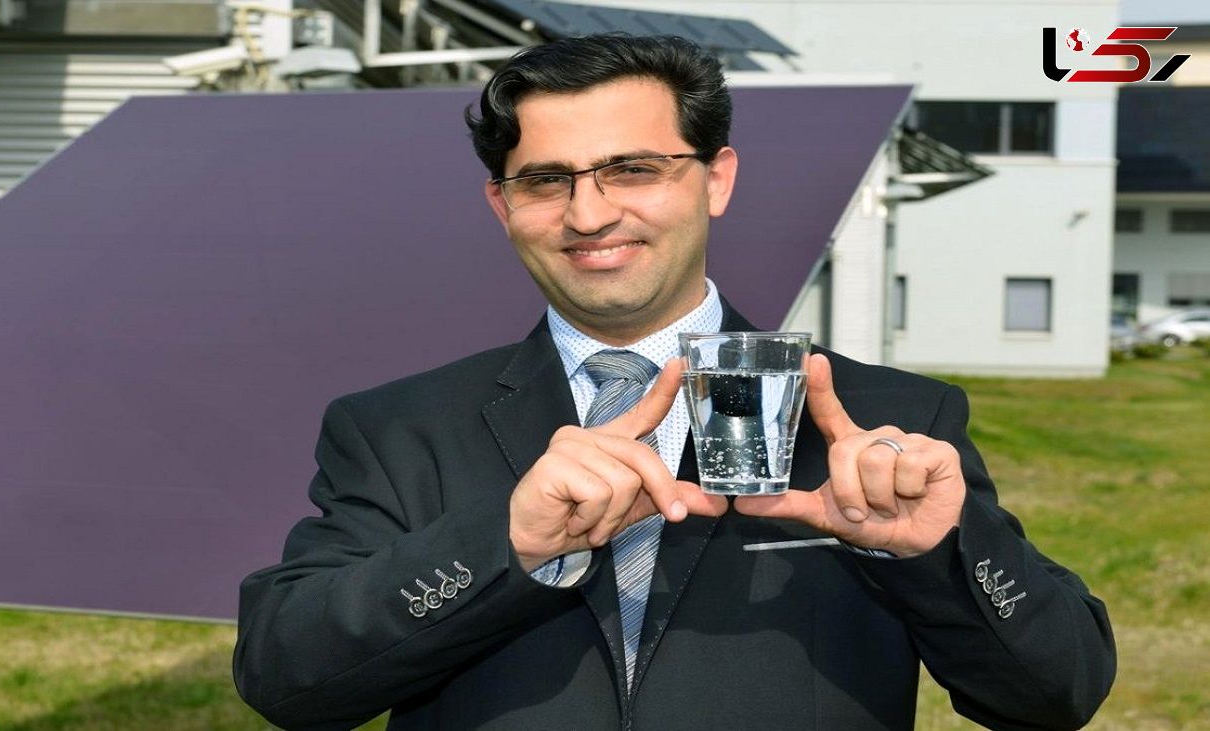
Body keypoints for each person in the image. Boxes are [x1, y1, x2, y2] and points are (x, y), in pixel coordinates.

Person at [234, 34, 1115, 730]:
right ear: (503, 206)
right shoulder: (399, 428)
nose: (589, 213)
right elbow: (288, 679)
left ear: (715, 179)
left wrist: (937, 555)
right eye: (546, 180)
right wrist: (506, 541)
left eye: (633, 169)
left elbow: (1056, 693)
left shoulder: (889, 419)